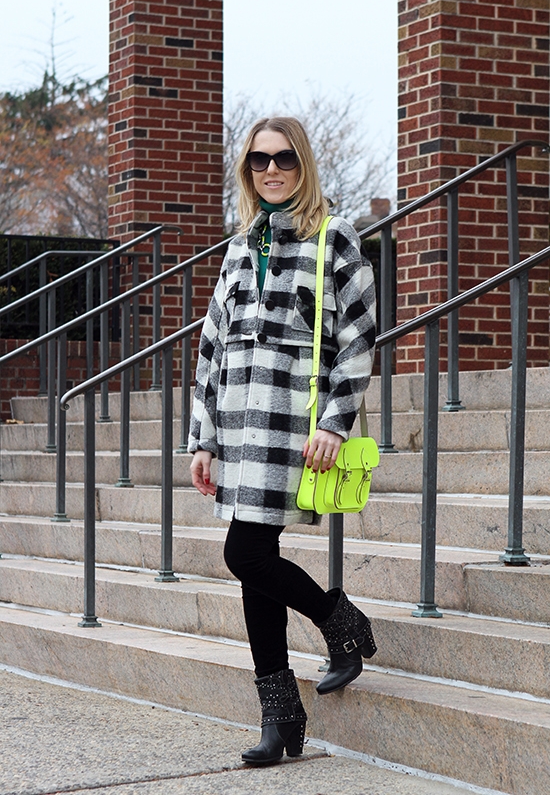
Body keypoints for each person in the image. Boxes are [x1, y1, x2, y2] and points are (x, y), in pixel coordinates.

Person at [188, 116, 377, 765]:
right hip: (238, 428)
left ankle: (337, 622)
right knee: (252, 559)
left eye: (285, 159)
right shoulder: (242, 244)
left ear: (304, 165)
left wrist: (333, 422)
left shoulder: (336, 237)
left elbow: (356, 341)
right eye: (259, 162)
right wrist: (202, 438)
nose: (271, 170)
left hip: (292, 428)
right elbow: (210, 347)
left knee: (245, 553)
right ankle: (281, 716)